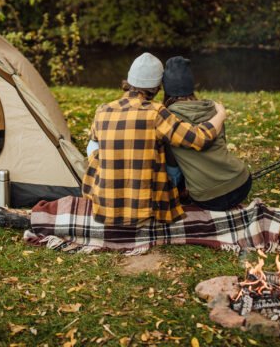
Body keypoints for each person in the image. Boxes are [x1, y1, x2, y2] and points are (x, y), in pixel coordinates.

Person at [81, 53, 227, 226]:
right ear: (158, 86)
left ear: (128, 80)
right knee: (166, 148)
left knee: (95, 144)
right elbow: (199, 138)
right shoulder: (156, 112)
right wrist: (221, 115)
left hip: (104, 211)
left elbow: (94, 145)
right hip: (144, 213)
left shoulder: (103, 110)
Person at [162, 56, 252, 211]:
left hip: (207, 198)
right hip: (241, 182)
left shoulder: (168, 120)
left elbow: (173, 167)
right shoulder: (212, 108)